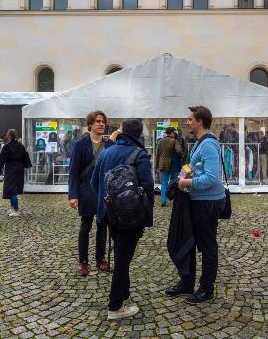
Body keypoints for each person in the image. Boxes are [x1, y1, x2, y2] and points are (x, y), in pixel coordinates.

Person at [91, 119, 154, 320]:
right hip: (131, 215)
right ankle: (115, 306)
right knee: (122, 260)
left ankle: (124, 293)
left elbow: (94, 184)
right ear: (139, 134)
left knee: (120, 254)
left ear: (122, 132)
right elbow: (148, 186)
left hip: (109, 214)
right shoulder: (139, 154)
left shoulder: (106, 153)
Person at [166, 105, 226, 305]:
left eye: (190, 119)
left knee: (208, 246)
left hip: (207, 203)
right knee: (189, 242)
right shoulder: (201, 142)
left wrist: (186, 183)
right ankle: (187, 282)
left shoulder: (208, 144)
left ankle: (206, 289)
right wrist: (182, 176)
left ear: (200, 121)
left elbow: (212, 178)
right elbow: (195, 169)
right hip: (197, 201)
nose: (187, 122)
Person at [68, 111, 114, 276]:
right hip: (86, 190)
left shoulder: (109, 144)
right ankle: (83, 262)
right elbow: (73, 170)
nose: (101, 124)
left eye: (103, 121)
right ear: (90, 124)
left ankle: (101, 260)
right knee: (85, 226)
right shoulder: (80, 144)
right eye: (98, 121)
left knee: (102, 226)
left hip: (104, 191)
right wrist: (73, 194)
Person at [0, 129, 32, 217]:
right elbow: (25, 158)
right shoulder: (21, 146)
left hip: (11, 170)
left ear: (9, 136)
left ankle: (15, 210)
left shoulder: (7, 147)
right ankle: (12, 208)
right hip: (19, 170)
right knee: (13, 190)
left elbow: (2, 161)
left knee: (12, 190)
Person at [155, 127, 183, 207]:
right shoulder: (174, 141)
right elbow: (179, 151)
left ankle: (163, 201)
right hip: (173, 164)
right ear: (171, 133)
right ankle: (173, 199)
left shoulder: (160, 141)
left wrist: (157, 166)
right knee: (173, 182)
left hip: (163, 165)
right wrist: (180, 155)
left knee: (164, 183)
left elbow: (157, 155)